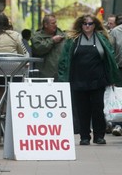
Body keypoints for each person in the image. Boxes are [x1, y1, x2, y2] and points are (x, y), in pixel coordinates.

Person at [58, 14, 121, 145]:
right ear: (80, 25)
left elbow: (110, 59)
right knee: (82, 109)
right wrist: (63, 78)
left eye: (90, 23)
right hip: (78, 79)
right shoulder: (72, 40)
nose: (87, 26)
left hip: (98, 79)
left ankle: (99, 136)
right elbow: (64, 60)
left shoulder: (102, 39)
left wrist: (112, 77)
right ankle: (84, 136)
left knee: (98, 108)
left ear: (95, 25)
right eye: (85, 23)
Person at [31, 14, 65, 81]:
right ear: (45, 25)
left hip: (61, 74)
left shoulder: (63, 36)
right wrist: (52, 41)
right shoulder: (37, 37)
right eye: (53, 23)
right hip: (44, 75)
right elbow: (38, 49)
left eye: (56, 23)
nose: (55, 25)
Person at [109, 13, 122, 136]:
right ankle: (117, 124)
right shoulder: (115, 32)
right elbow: (110, 51)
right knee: (118, 97)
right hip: (119, 69)